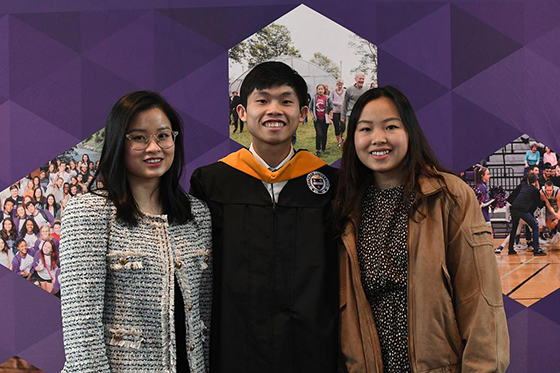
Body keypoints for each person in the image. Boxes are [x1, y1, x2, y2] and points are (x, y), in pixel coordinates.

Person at [334, 86, 509, 372]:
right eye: (365, 129)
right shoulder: (346, 208)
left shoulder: (449, 195)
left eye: (391, 126)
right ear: (353, 138)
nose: (378, 139)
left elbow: (480, 301)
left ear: (410, 133)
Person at [190, 61, 339, 373]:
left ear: (303, 113)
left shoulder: (329, 185)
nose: (274, 110)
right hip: (235, 346)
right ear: (242, 112)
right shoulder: (212, 182)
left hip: (311, 347)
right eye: (262, 100)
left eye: (286, 101)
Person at [59, 91, 212, 373]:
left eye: (163, 136)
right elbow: (81, 323)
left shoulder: (196, 213)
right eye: (139, 137)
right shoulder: (89, 212)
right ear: (119, 142)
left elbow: (204, 311)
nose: (154, 147)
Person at [507, 173, 546, 256]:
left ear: (528, 180)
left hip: (514, 208)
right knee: (535, 227)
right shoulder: (535, 190)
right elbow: (540, 204)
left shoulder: (523, 186)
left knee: (514, 228)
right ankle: (536, 249)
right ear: (536, 181)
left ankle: (510, 249)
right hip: (522, 210)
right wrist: (544, 199)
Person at [309, 84, 334, 156]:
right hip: (317, 120)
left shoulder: (327, 98)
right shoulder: (314, 98)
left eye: (321, 89)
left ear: (324, 90)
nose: (320, 90)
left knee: (324, 134)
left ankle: (323, 148)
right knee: (319, 134)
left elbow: (331, 108)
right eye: (319, 89)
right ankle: (318, 150)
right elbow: (310, 108)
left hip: (325, 119)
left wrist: (330, 118)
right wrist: (312, 116)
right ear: (317, 90)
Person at [330, 78, 346, 146]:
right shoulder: (333, 91)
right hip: (335, 111)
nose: (340, 86)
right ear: (337, 84)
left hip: (342, 112)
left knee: (343, 126)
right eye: (339, 85)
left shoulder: (345, 91)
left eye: (341, 85)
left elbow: (346, 100)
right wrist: (339, 103)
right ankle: (339, 141)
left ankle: (341, 136)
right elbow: (330, 101)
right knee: (336, 126)